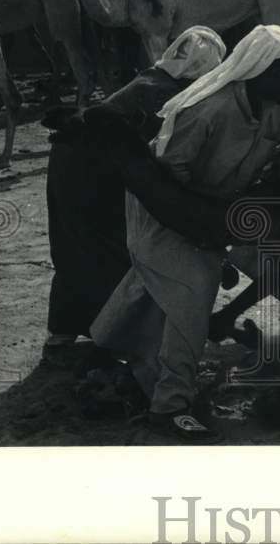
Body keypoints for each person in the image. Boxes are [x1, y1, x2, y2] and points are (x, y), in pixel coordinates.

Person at [91, 25, 280, 442]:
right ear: (259, 70)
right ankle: (169, 407)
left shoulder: (277, 100)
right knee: (192, 287)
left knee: (266, 260)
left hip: (217, 217)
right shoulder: (208, 111)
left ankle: (108, 348)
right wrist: (208, 232)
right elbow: (167, 183)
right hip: (164, 217)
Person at [43, 26, 227, 364]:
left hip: (70, 161)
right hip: (94, 170)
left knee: (74, 250)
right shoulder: (169, 94)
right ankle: (117, 339)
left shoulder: (154, 78)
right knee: (116, 252)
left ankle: (62, 338)